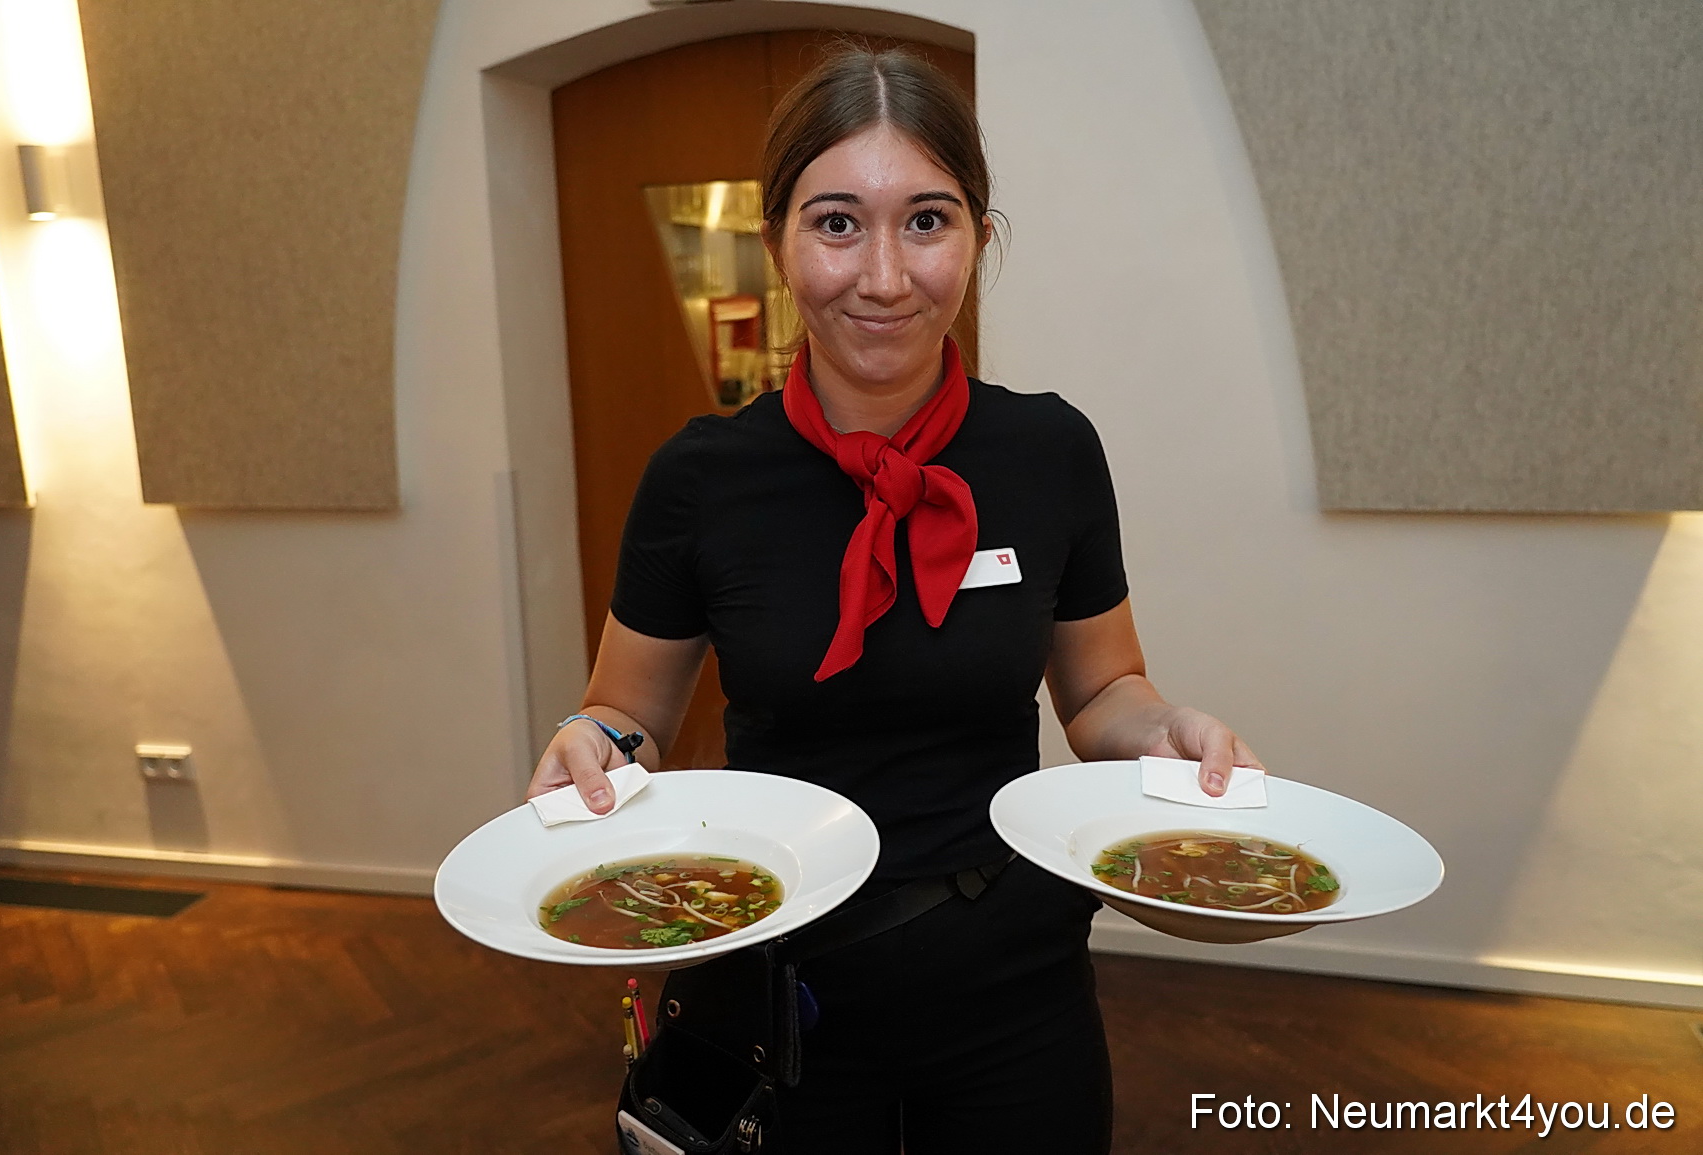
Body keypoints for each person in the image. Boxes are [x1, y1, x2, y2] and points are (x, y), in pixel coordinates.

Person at [529, 45, 1262, 1154]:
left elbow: (1102, 690)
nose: (882, 275)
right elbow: (628, 717)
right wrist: (586, 743)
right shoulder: (702, 478)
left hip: (1013, 977)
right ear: (778, 240)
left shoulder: (1048, 451)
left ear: (978, 236)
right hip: (784, 978)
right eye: (837, 223)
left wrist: (1169, 730)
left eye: (927, 220)